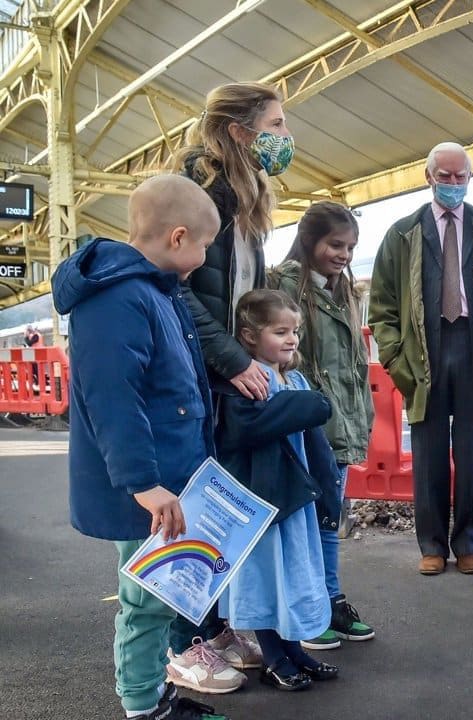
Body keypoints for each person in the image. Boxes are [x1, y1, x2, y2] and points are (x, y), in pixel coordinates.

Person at [50, 174, 230, 720]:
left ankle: (151, 691)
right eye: (203, 245)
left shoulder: (149, 290)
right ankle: (142, 707)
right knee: (145, 599)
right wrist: (145, 484)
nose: (203, 257)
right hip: (147, 489)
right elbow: (113, 399)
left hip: (164, 478)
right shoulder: (121, 297)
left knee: (159, 593)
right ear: (178, 237)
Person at [167, 80, 293, 687]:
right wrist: (232, 360)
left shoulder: (246, 200)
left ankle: (212, 625)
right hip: (205, 375)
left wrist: (265, 348)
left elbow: (245, 295)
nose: (285, 137)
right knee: (198, 507)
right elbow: (182, 293)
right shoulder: (199, 194)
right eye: (275, 125)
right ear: (239, 131)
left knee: (225, 506)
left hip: (231, 369)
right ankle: (184, 644)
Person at [369, 141, 473, 576]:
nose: (454, 184)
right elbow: (381, 306)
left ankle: (469, 542)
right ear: (429, 177)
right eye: (446, 176)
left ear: (470, 179)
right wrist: (395, 357)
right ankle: (432, 545)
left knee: (472, 451)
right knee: (428, 453)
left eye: (461, 177)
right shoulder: (401, 234)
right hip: (424, 354)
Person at [214, 289, 341, 692]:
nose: (291, 339)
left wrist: (327, 489)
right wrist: (313, 404)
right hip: (268, 498)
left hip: (296, 497)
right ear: (250, 336)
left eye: (295, 332)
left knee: (294, 574)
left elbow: (315, 442)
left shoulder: (295, 377)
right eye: (280, 331)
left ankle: (295, 651)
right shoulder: (252, 379)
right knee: (268, 576)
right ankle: (273, 656)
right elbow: (262, 426)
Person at [271, 201, 377, 650]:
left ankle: (329, 601)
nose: (344, 254)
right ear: (310, 240)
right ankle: (311, 609)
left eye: (351, 247)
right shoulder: (284, 287)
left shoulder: (344, 290)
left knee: (330, 519)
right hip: (306, 423)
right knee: (308, 523)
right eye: (336, 245)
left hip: (339, 422)